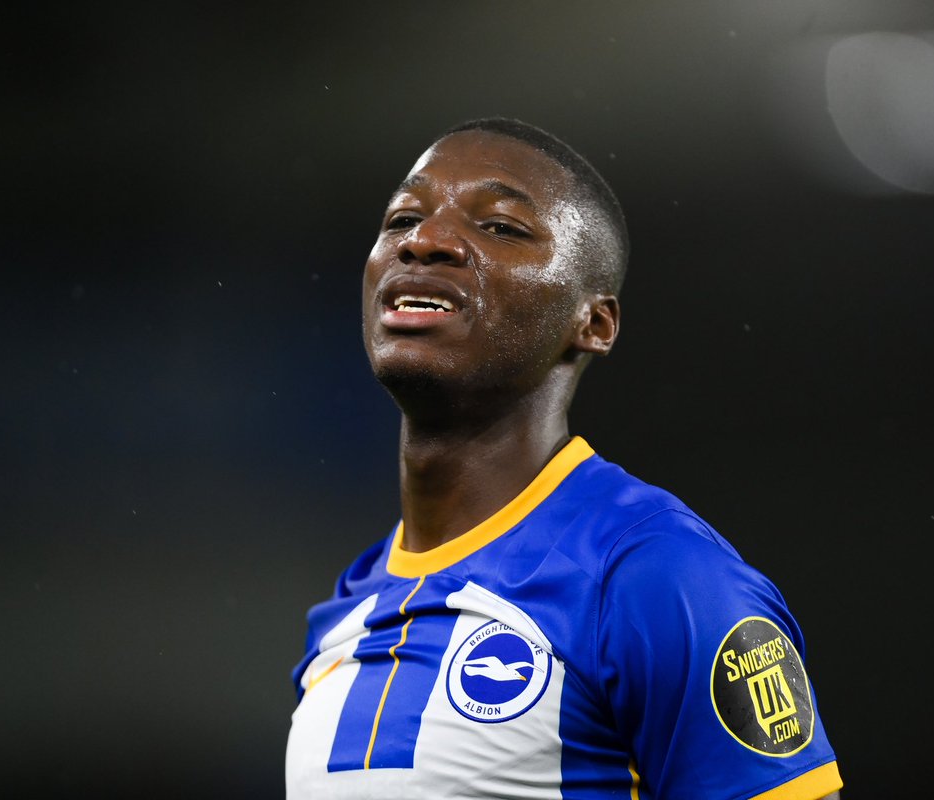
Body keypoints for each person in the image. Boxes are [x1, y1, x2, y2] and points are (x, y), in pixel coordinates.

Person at [286, 117, 843, 800]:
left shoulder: (656, 577)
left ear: (594, 323)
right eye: (403, 218)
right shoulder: (346, 611)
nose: (423, 241)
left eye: (501, 227)